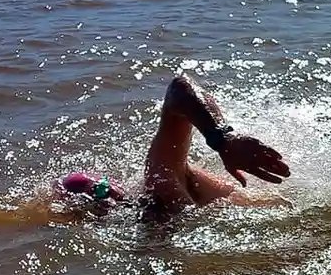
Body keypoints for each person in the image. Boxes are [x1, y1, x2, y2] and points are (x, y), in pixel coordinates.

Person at [55, 74, 290, 219]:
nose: (107, 197)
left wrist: (223, 139)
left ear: (113, 181)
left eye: (103, 187)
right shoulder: (143, 230)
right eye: (96, 195)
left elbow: (180, 87)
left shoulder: (162, 183)